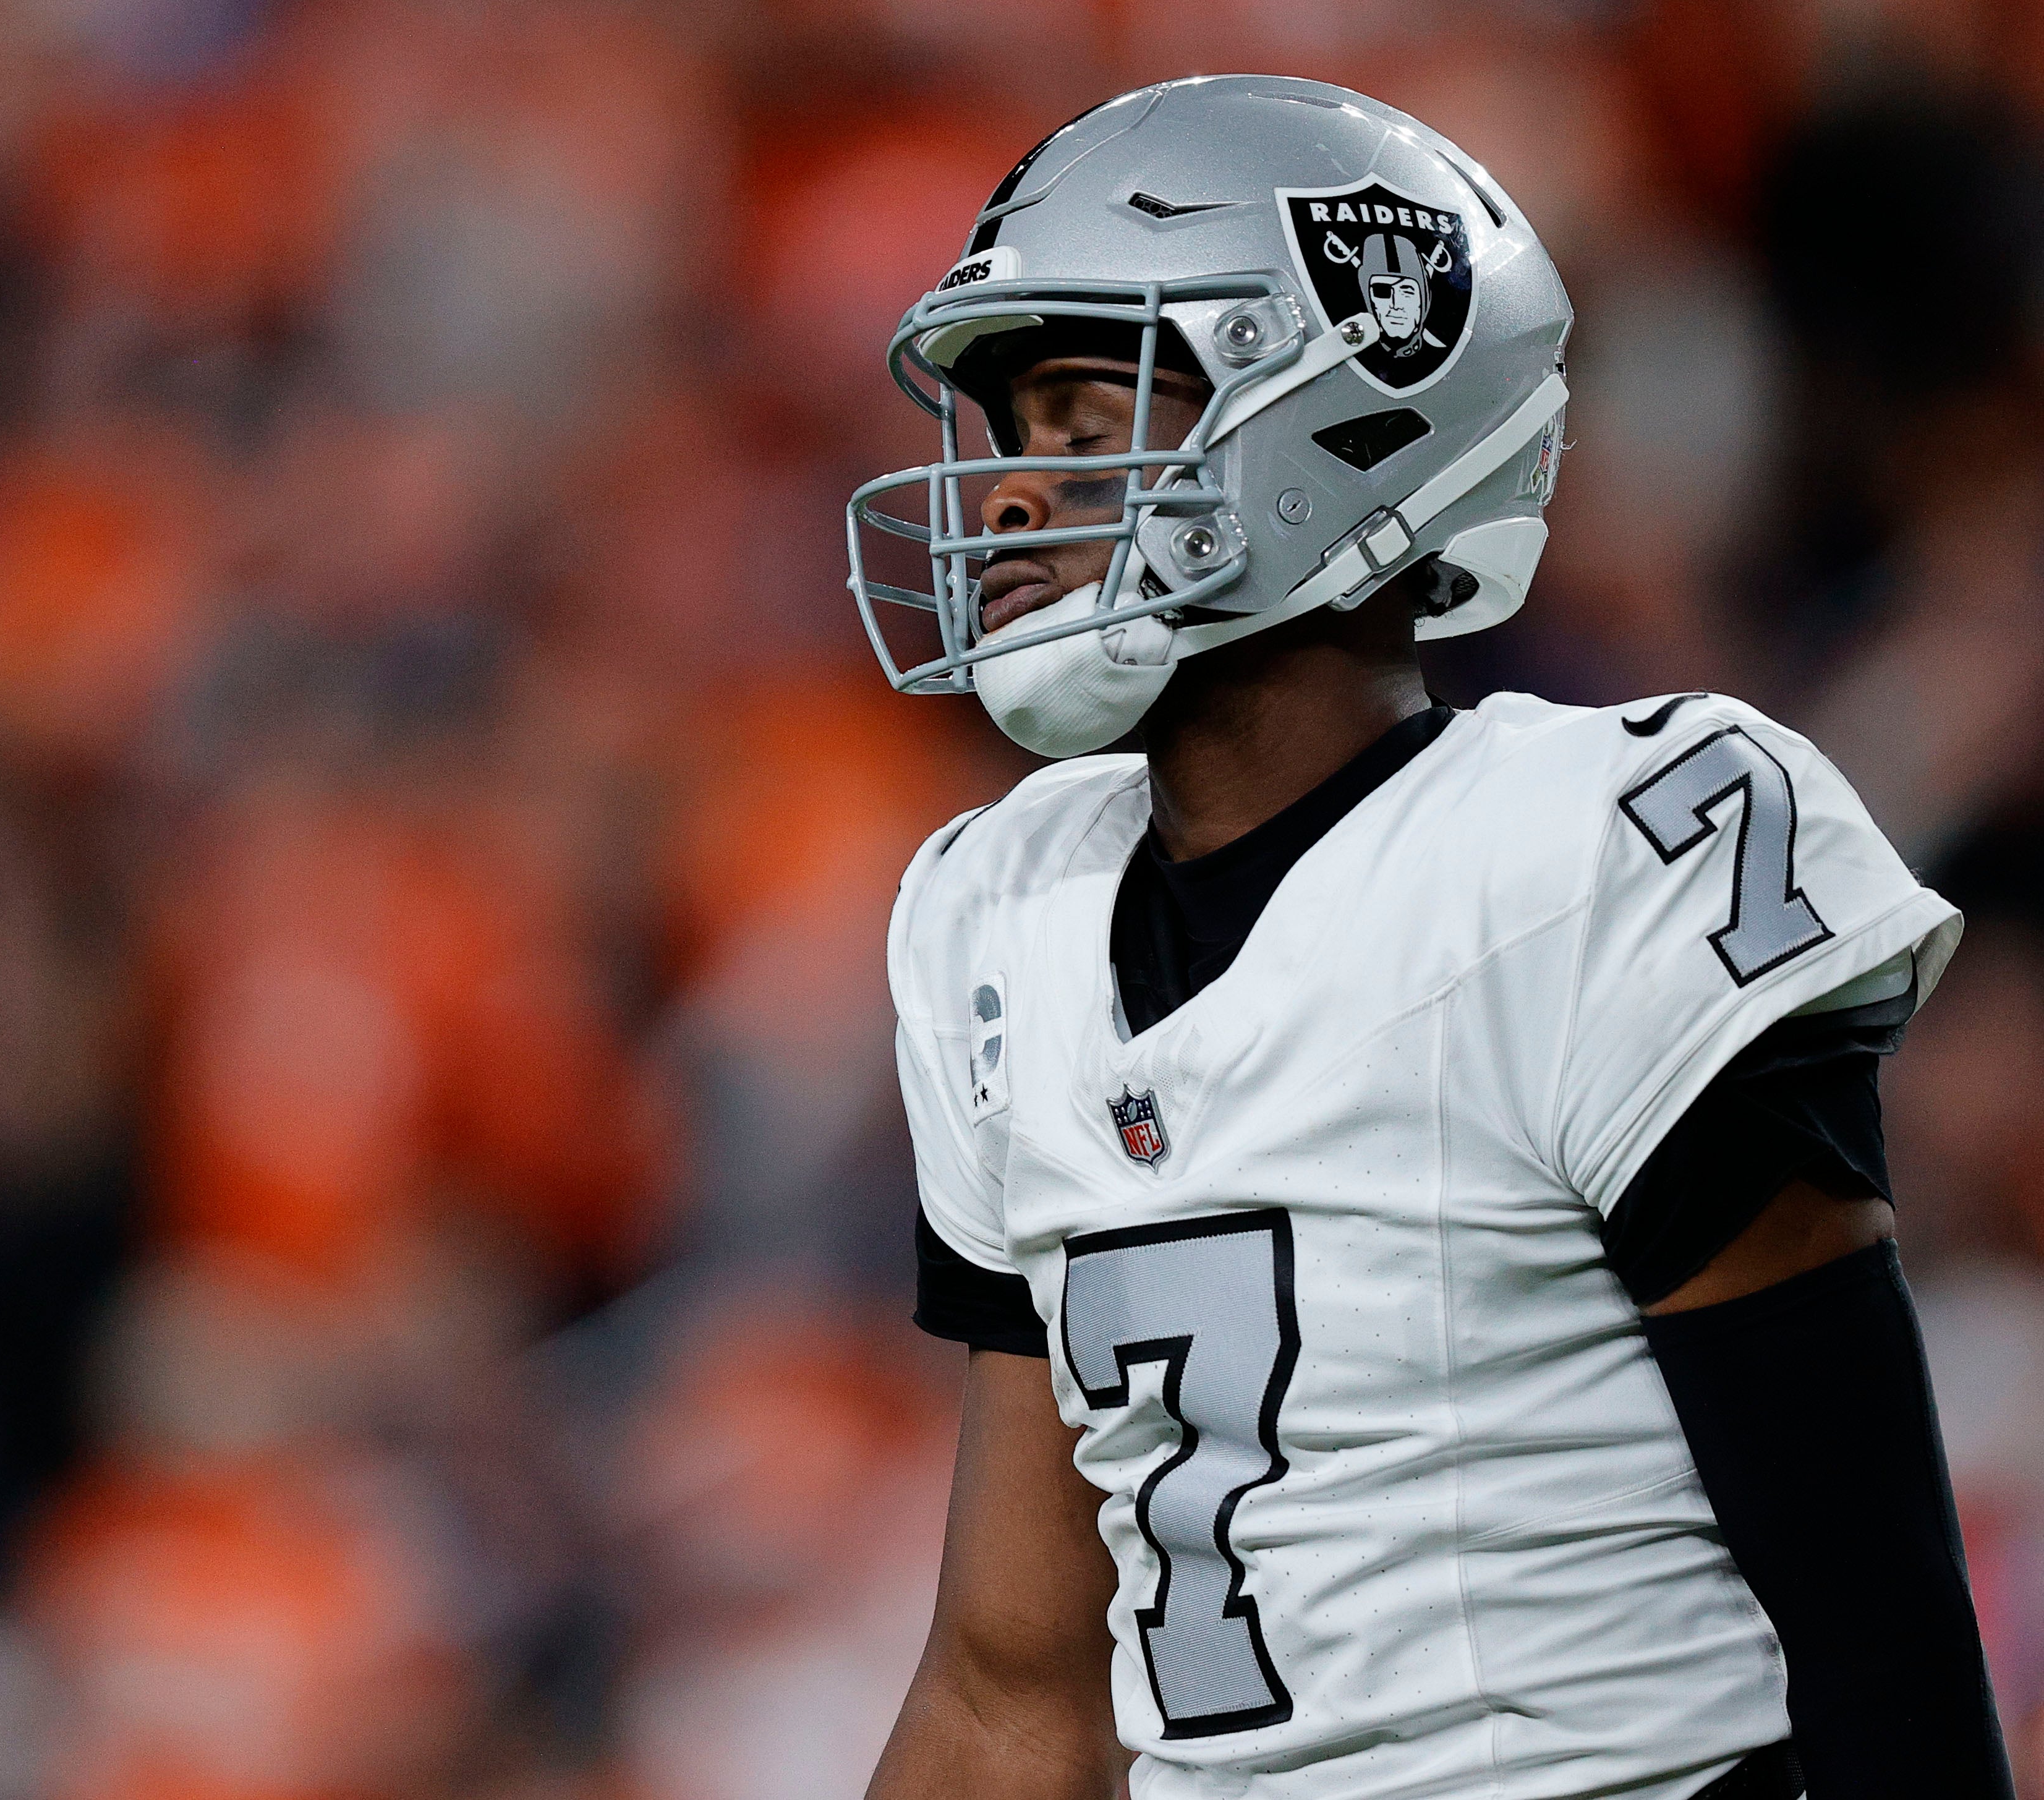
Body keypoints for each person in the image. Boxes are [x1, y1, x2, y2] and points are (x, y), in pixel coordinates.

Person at [845, 77, 2011, 1799]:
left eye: (1090, 423)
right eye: (1010, 437)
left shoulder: (1595, 854)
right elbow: (1013, 1693)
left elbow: (1871, 1631)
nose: (1015, 498)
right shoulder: (997, 917)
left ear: (1347, 417)